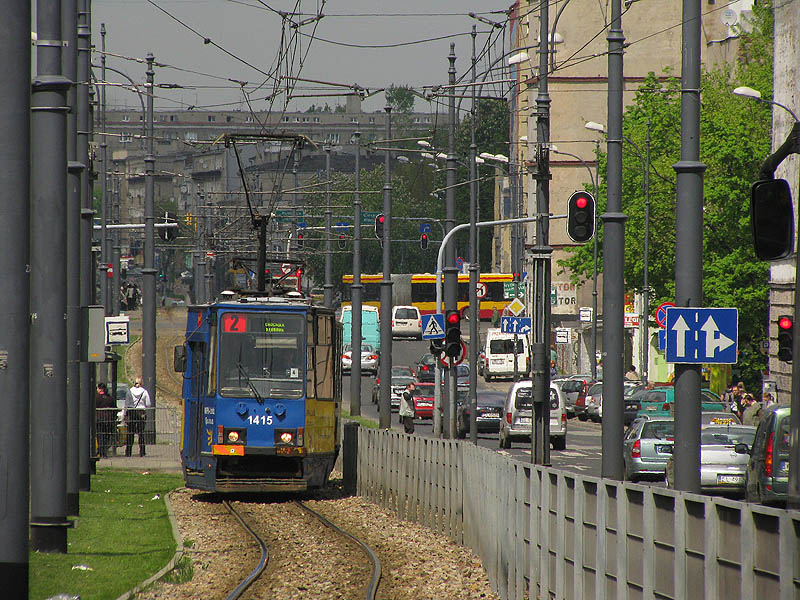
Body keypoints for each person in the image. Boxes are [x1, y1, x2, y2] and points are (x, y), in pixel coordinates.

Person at [124, 377, 152, 457]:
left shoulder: (129, 391)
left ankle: (128, 452)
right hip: (141, 413)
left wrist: (125, 414)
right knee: (141, 433)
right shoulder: (144, 392)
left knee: (130, 433)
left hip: (131, 412)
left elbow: (126, 403)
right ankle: (142, 452)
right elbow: (148, 403)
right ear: (141, 383)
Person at [95, 382, 116, 457]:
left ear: (99, 389)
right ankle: (104, 451)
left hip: (99, 420)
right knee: (106, 436)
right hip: (108, 420)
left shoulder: (96, 398)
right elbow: (114, 408)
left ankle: (100, 451)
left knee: (100, 435)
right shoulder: (110, 398)